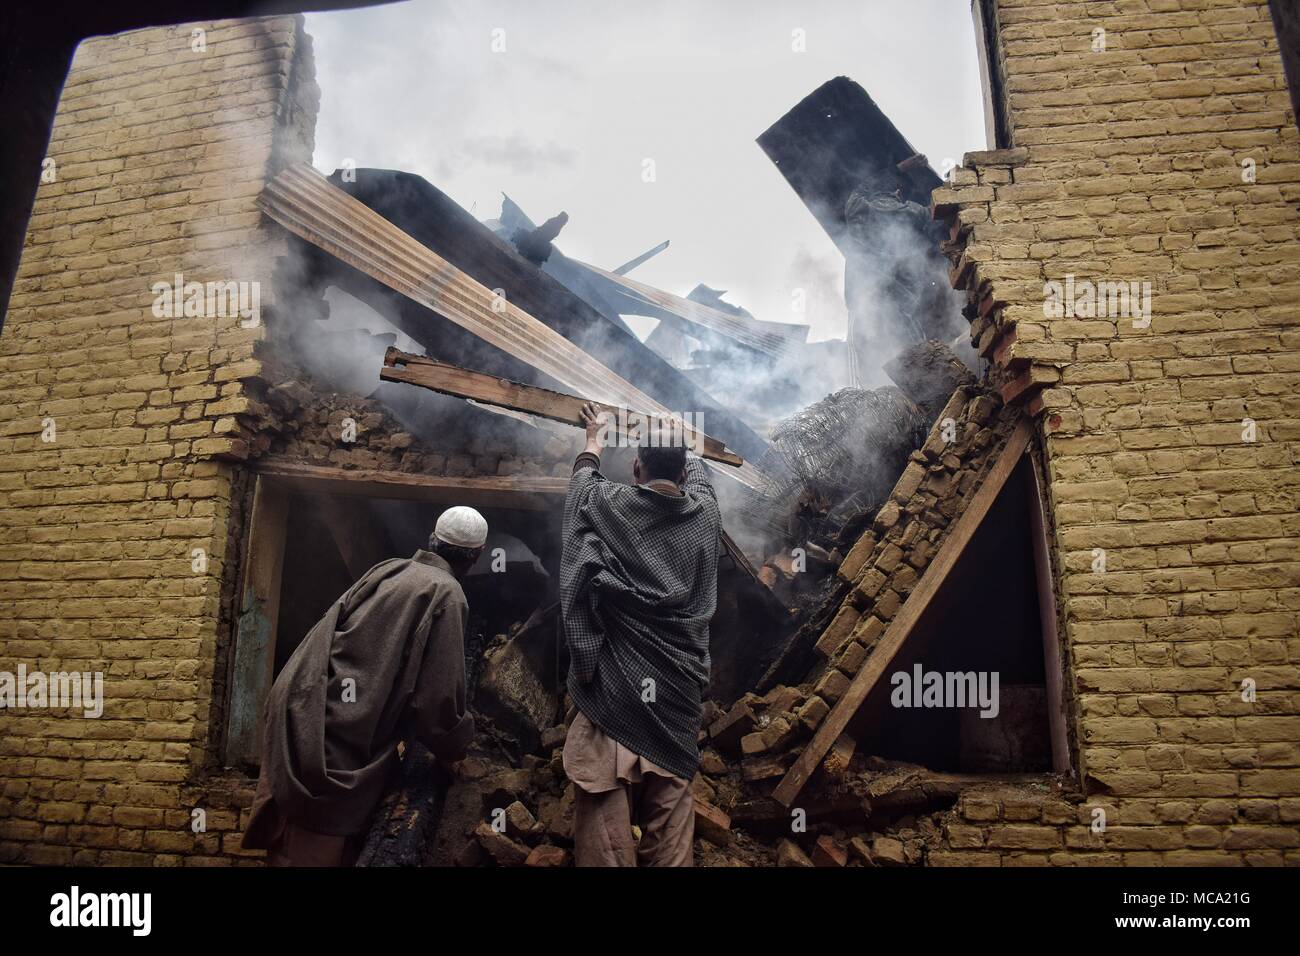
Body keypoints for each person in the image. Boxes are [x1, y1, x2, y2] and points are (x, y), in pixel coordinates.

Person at [241, 506, 488, 866]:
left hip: (303, 715)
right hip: (333, 747)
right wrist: (457, 745)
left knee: (286, 849)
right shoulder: (448, 594)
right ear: (478, 556)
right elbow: (437, 700)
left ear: (433, 540)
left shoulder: (389, 568)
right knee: (311, 853)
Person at [560, 403, 721, 866]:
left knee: (604, 837)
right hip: (675, 703)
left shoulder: (612, 503)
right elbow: (703, 479)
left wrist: (594, 439)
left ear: (636, 468)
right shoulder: (706, 516)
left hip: (615, 695)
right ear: (687, 474)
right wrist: (685, 442)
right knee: (671, 838)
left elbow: (579, 494)